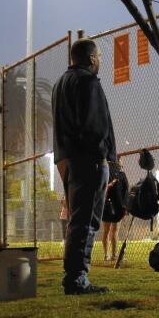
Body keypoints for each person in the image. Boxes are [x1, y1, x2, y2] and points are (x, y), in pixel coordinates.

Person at [51, 38, 118, 295]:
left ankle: (74, 276)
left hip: (67, 158)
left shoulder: (60, 84)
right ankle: (77, 279)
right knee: (87, 220)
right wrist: (105, 158)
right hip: (87, 159)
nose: (100, 60)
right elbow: (96, 125)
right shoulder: (89, 82)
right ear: (91, 58)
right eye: (99, 56)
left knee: (77, 219)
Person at [99, 169, 128, 261]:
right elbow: (125, 190)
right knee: (110, 231)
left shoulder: (108, 172)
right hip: (112, 205)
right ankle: (110, 255)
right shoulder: (117, 174)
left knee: (110, 231)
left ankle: (110, 255)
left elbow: (125, 190)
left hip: (111, 205)